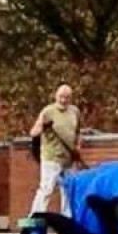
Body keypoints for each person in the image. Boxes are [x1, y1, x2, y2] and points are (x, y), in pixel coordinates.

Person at [29, 84, 82, 217]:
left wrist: (78, 148)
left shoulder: (74, 112)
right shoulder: (48, 111)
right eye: (61, 97)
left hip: (69, 158)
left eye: (67, 97)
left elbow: (78, 132)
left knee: (69, 189)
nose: (64, 100)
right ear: (56, 96)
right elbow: (33, 132)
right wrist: (42, 127)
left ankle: (67, 217)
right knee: (47, 188)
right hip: (51, 157)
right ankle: (36, 215)